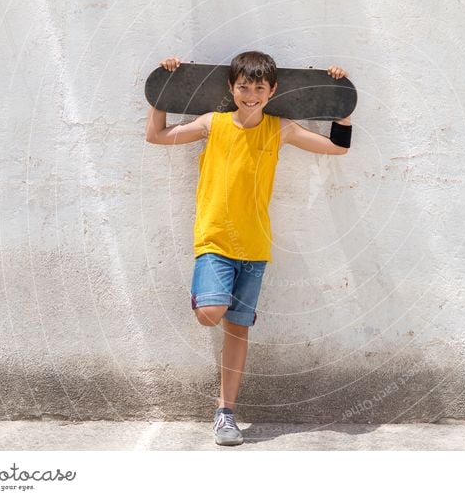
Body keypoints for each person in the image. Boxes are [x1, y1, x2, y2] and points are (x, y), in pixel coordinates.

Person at [144, 51, 353, 445]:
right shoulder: (213, 123)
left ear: (272, 90)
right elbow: (156, 136)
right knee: (211, 312)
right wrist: (163, 91)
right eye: (244, 87)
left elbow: (337, 148)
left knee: (237, 331)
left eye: (259, 88)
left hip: (255, 248)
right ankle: (203, 297)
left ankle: (226, 414)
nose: (251, 94)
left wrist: (342, 103)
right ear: (232, 88)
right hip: (214, 241)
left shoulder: (280, 129)